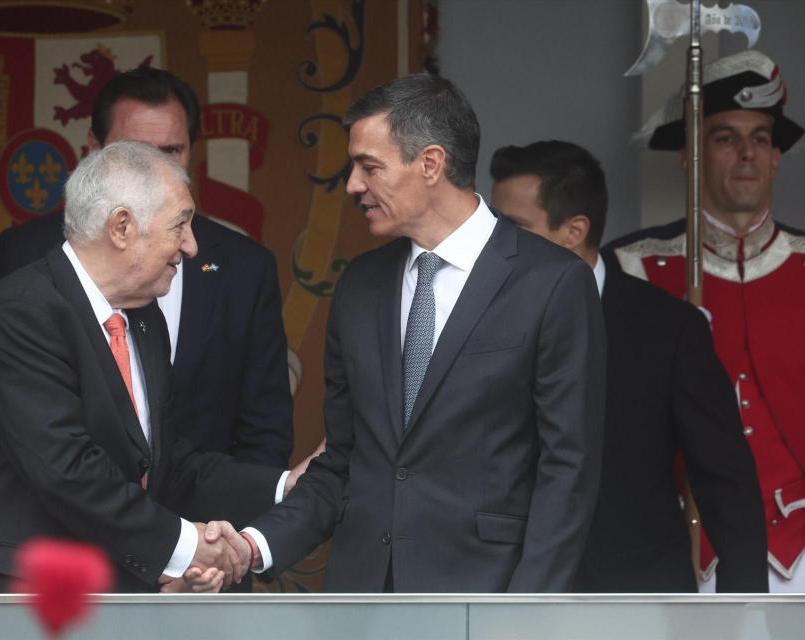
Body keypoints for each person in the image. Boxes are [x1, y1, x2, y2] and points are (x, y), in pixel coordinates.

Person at [224, 74, 607, 593]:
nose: (353, 184)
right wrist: (252, 547)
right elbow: (343, 458)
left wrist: (524, 613)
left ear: (430, 164)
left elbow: (569, 471)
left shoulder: (552, 282)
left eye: (369, 167)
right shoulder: (360, 284)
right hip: (363, 599)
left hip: (487, 597)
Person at [0, 141, 287, 593]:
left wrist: (283, 486)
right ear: (122, 227)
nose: (191, 246)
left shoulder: (143, 319)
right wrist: (187, 545)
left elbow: (166, 463)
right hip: (24, 598)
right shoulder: (23, 311)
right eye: (180, 224)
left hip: (110, 597)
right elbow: (68, 471)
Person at [489, 140, 767, 592]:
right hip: (508, 591)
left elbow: (724, 476)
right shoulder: (478, 322)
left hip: (639, 592)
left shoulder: (669, 328)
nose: (494, 243)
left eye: (513, 227)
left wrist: (746, 607)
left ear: (574, 231)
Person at [0, 66, 293, 471]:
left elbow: (264, 432)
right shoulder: (26, 257)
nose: (155, 170)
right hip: (63, 505)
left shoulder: (245, 267)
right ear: (93, 150)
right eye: (135, 154)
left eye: (171, 151)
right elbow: (21, 430)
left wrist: (260, 499)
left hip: (201, 504)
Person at [604, 50, 805, 592]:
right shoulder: (632, 267)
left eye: (760, 138)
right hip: (683, 551)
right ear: (688, 155)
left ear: (776, 157)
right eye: (725, 138)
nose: (747, 154)